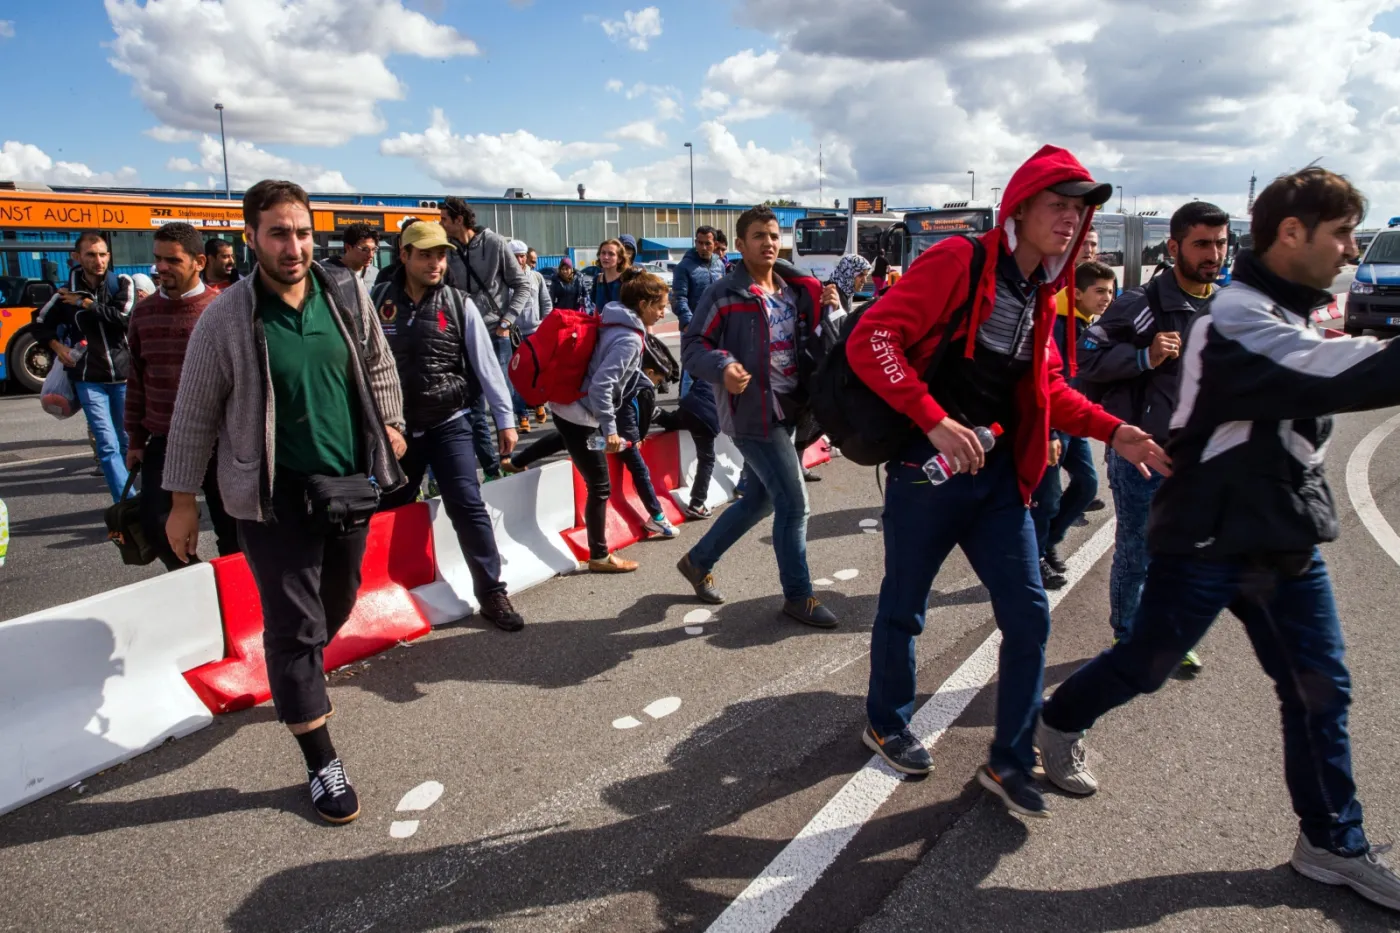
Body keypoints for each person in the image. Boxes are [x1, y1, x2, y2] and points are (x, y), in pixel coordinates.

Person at [1035, 166, 1400, 913]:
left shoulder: (1280, 310)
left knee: (1321, 689)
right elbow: (1346, 371)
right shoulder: (1239, 320)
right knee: (1145, 662)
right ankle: (1055, 720)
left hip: (1282, 536)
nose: (1352, 250)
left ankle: (1332, 838)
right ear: (1292, 234)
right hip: (1205, 533)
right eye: (1340, 234)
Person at [845, 146, 1168, 817]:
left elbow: (1049, 387)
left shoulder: (1044, 293)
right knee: (905, 605)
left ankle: (1011, 758)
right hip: (924, 471)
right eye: (1059, 204)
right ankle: (886, 719)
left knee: (1028, 615)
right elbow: (871, 338)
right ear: (1018, 207)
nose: (1071, 219)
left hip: (998, 483)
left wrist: (1115, 431)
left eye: (1080, 211)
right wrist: (933, 420)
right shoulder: (957, 260)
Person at [163, 179, 408, 825]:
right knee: (294, 624)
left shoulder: (346, 292)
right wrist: (182, 501)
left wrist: (391, 421)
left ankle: (295, 671)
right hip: (268, 500)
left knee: (339, 599)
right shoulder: (226, 318)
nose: (293, 245)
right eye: (278, 232)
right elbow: (191, 416)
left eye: (301, 232)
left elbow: (380, 367)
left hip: (347, 486)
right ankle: (319, 756)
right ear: (252, 238)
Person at [1076, 200, 1228, 671]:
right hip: (1143, 452)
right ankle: (1129, 635)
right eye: (1202, 243)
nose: (1214, 254)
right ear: (1175, 245)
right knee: (1138, 550)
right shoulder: (1139, 305)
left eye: (1221, 244)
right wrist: (1144, 358)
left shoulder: (1225, 306)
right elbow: (1085, 362)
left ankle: (1167, 633)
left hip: (1201, 457)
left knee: (1185, 554)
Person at [675, 206, 837, 628]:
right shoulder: (725, 294)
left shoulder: (796, 290)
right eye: (758, 236)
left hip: (792, 412)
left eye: (773, 235)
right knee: (795, 505)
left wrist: (833, 308)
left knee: (762, 500)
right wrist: (723, 366)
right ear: (741, 245)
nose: (768, 242)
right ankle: (798, 596)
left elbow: (820, 346)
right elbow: (693, 345)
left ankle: (698, 560)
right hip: (750, 415)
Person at [373, 221, 525, 631]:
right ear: (403, 256)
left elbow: (487, 366)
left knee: (467, 504)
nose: (436, 262)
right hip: (396, 431)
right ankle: (383, 597)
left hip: (450, 423)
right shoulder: (377, 301)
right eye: (425, 254)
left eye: (441, 254)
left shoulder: (460, 304)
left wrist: (504, 420)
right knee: (386, 509)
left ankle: (492, 592)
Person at [124, 221, 239, 570]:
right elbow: (138, 379)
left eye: (172, 260)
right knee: (158, 529)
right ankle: (198, 584)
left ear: (199, 262)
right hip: (164, 438)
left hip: (222, 442)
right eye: (158, 259)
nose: (161, 268)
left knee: (235, 532)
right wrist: (135, 440)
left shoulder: (224, 310)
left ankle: (238, 597)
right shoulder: (143, 313)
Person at [551, 268, 670, 572]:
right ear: (642, 305)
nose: (663, 311)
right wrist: (611, 429)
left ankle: (598, 554)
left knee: (594, 479)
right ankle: (599, 556)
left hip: (570, 408)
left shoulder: (614, 321)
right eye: (659, 306)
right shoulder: (628, 338)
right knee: (600, 487)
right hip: (580, 414)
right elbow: (603, 386)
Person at [32, 231, 136, 503]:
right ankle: (125, 503)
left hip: (124, 377)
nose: (98, 260)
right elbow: (39, 324)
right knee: (106, 443)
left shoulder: (121, 283)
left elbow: (123, 318)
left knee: (128, 443)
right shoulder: (64, 293)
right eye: (91, 254)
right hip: (88, 378)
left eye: (102, 254)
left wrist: (85, 303)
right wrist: (57, 347)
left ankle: (134, 499)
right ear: (77, 257)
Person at [1032, 257, 1114, 589]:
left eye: (1110, 291)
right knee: (1047, 498)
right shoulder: (1057, 321)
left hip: (1072, 422)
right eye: (1100, 291)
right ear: (1077, 293)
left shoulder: (1085, 320)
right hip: (1051, 424)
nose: (1107, 298)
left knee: (1087, 485)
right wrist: (1050, 430)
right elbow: (1046, 380)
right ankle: (1035, 556)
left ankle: (1048, 541)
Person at [438, 196, 529, 479]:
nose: (440, 224)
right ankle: (492, 468)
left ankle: (509, 460)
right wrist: (444, 328)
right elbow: (441, 297)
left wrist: (507, 321)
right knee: (475, 407)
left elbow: (522, 284)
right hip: (462, 335)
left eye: (444, 219)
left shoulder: (494, 243)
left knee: (500, 398)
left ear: (459, 219)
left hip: (495, 332)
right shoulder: (446, 251)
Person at [508, 238, 553, 430]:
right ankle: (522, 416)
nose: (519, 260)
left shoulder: (536, 277)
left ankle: (539, 404)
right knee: (517, 377)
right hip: (513, 335)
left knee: (538, 373)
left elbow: (546, 303)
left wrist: (545, 324)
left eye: (522, 256)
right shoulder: (504, 279)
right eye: (515, 257)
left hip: (535, 332)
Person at [672, 226, 727, 330]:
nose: (703, 247)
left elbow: (722, 296)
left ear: (715, 244)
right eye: (700, 243)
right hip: (693, 328)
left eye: (707, 243)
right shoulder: (683, 267)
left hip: (717, 327)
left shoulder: (720, 265)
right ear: (695, 242)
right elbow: (678, 298)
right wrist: (688, 323)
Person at [326, 222, 380, 289]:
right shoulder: (327, 273)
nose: (371, 255)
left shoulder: (376, 274)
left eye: (374, 249)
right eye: (365, 249)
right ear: (348, 247)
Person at [590, 238, 629, 310]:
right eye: (603, 253)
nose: (606, 257)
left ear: (620, 259)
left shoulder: (626, 281)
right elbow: (595, 306)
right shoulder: (598, 280)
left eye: (611, 254)